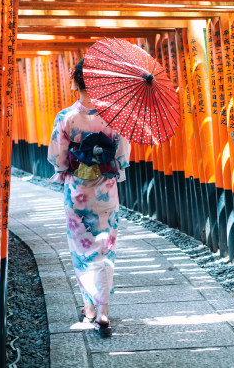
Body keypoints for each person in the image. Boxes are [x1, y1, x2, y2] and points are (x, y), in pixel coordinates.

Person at [47, 58, 131, 336]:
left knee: (82, 252)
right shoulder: (114, 115)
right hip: (106, 192)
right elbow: (121, 158)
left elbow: (58, 160)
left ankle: (90, 311)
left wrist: (71, 165)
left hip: (77, 193)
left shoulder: (66, 117)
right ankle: (104, 312)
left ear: (76, 82)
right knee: (106, 249)